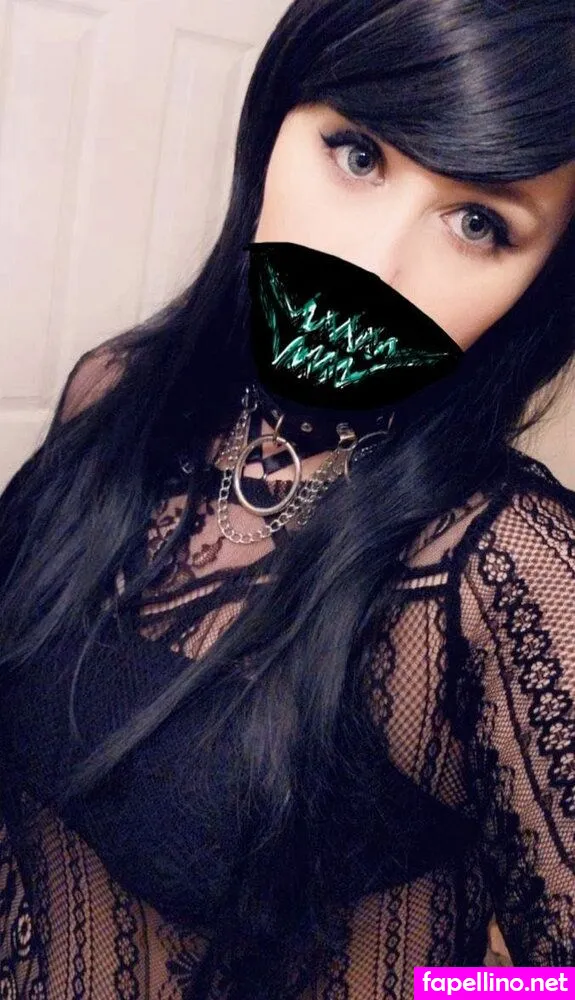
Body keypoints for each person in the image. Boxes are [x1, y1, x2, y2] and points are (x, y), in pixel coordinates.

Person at [0, 0, 574, 997]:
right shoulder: (117, 394)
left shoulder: (496, 564)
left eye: (478, 224)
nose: (371, 266)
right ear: (274, 124)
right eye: (357, 155)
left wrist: (440, 989)